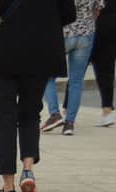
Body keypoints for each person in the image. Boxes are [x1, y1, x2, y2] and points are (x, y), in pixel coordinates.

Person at [0, 0, 78, 192]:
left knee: (4, 119)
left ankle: (8, 188)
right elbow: (69, 14)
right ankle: (28, 169)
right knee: (30, 113)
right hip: (41, 52)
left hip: (4, 51)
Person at [40, 0, 100, 132]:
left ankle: (54, 114)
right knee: (76, 81)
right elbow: (98, 8)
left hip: (63, 32)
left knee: (47, 75)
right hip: (86, 33)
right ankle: (70, 123)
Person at [96, 0, 115, 124]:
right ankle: (107, 110)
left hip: (97, 27)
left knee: (78, 72)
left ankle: (67, 111)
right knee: (107, 69)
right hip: (111, 24)